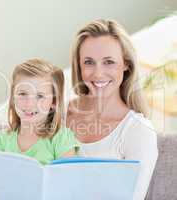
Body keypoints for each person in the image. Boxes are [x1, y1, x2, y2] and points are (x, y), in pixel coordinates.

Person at [0, 58, 79, 200]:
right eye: (22, 94)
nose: (29, 103)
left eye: (40, 96)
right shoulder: (0, 139)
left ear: (54, 102)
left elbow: (68, 187)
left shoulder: (62, 138)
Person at [66, 19, 158, 200]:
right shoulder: (63, 113)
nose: (98, 73)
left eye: (108, 62)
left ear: (126, 64)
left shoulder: (138, 131)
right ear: (79, 66)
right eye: (89, 62)